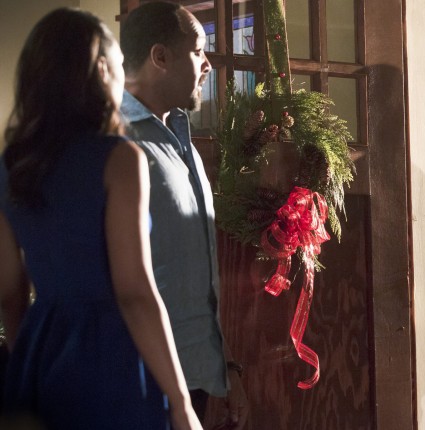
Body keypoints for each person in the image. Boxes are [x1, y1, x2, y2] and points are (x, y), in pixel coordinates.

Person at [0, 8, 201, 430]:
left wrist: (29, 364)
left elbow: (10, 292)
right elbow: (134, 292)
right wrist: (182, 404)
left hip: (39, 354)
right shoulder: (120, 159)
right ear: (103, 71)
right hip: (111, 356)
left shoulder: (10, 166)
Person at [120, 2, 246, 426]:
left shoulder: (182, 142)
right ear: (160, 56)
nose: (208, 64)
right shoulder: (114, 142)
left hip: (197, 379)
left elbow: (196, 277)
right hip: (137, 382)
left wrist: (226, 368)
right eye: (197, 51)